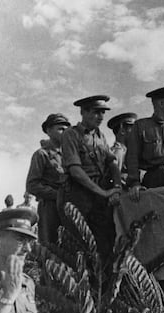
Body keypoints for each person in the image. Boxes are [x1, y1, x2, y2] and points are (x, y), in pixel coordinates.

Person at [61, 95, 121, 263]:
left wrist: (116, 187)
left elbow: (111, 162)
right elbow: (75, 171)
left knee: (105, 244)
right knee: (80, 245)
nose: (101, 117)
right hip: (79, 194)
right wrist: (103, 192)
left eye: (103, 113)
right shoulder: (70, 135)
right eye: (96, 112)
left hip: (100, 196)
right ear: (83, 112)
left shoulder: (100, 136)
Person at [26, 113, 71, 245]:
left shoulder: (69, 155)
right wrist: (57, 195)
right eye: (60, 129)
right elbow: (32, 185)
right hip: (49, 208)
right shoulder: (41, 155)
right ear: (49, 131)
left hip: (69, 207)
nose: (64, 132)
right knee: (51, 247)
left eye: (66, 129)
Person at [107, 112, 137, 185]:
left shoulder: (126, 150)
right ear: (122, 130)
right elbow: (112, 178)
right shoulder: (118, 152)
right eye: (132, 129)